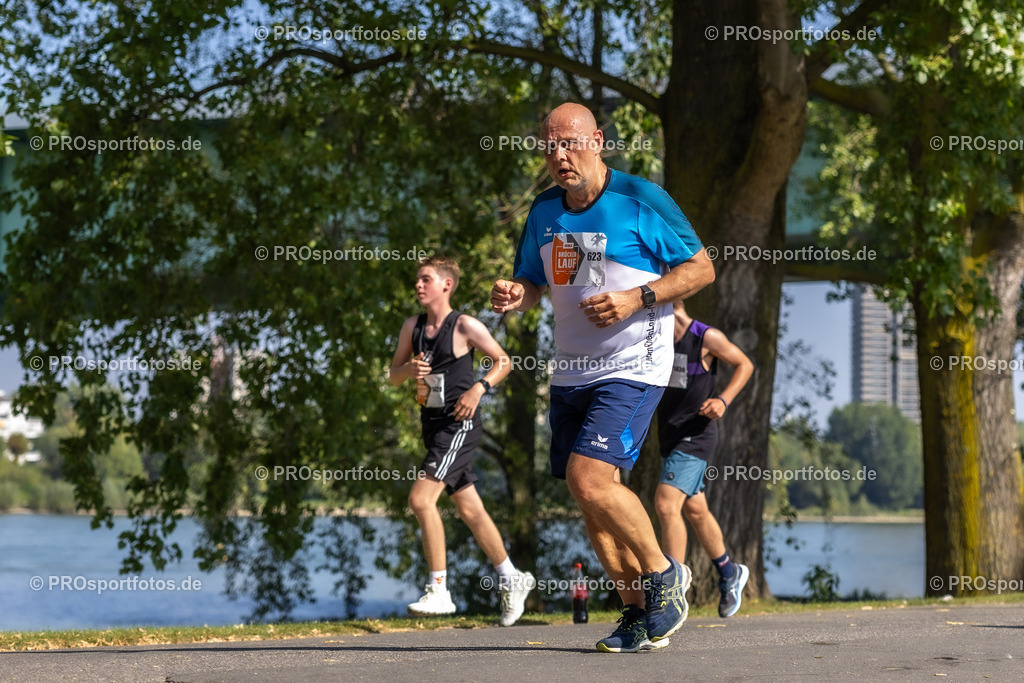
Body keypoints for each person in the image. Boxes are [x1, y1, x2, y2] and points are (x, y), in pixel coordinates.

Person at [491, 102, 715, 652]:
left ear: (597, 141)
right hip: (572, 369)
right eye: (549, 146)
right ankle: (637, 613)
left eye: (569, 143)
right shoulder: (545, 210)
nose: (559, 155)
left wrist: (638, 297)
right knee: (588, 494)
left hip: (634, 365)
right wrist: (518, 294)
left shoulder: (640, 198)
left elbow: (702, 268)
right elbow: (534, 282)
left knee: (589, 478)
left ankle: (666, 574)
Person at [389, 256, 535, 626]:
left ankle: (439, 590)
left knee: (421, 499)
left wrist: (478, 388)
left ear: (446, 284)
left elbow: (503, 361)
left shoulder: (465, 325)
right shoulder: (412, 327)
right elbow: (393, 376)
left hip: (460, 425)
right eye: (417, 280)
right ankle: (512, 577)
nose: (419, 285)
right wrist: (408, 370)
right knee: (470, 509)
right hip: (432, 426)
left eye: (426, 279)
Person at [655, 300, 754, 618]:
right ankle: (729, 573)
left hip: (696, 436)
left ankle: (670, 595)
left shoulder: (705, 337)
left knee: (666, 504)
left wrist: (723, 400)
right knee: (696, 510)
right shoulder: (655, 336)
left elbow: (745, 364)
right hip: (670, 436)